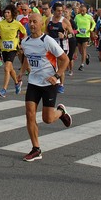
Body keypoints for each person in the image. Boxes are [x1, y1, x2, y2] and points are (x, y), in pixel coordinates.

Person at [21, 12, 72, 162]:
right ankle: (36, 149)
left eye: (34, 22)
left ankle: (61, 112)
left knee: (47, 119)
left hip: (49, 83)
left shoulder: (48, 41)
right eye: (29, 22)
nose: (31, 24)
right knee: (30, 114)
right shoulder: (25, 42)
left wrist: (56, 76)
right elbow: (27, 57)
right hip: (33, 83)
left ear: (41, 24)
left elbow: (65, 60)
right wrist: (21, 73)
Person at [0, 4, 26, 98]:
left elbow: (24, 33)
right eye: (5, 12)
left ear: (12, 13)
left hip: (13, 49)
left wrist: (21, 43)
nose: (6, 14)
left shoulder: (17, 24)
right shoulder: (0, 23)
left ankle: (4, 90)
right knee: (10, 69)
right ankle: (17, 83)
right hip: (3, 49)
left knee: (6, 68)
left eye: (8, 12)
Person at [75, 4, 95, 71]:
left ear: (86, 10)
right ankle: (86, 56)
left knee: (83, 49)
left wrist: (91, 29)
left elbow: (94, 23)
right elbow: (74, 24)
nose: (82, 12)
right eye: (81, 11)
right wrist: (76, 29)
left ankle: (82, 64)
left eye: (84, 11)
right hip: (78, 35)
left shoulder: (89, 17)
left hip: (86, 35)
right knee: (80, 50)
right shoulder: (77, 16)